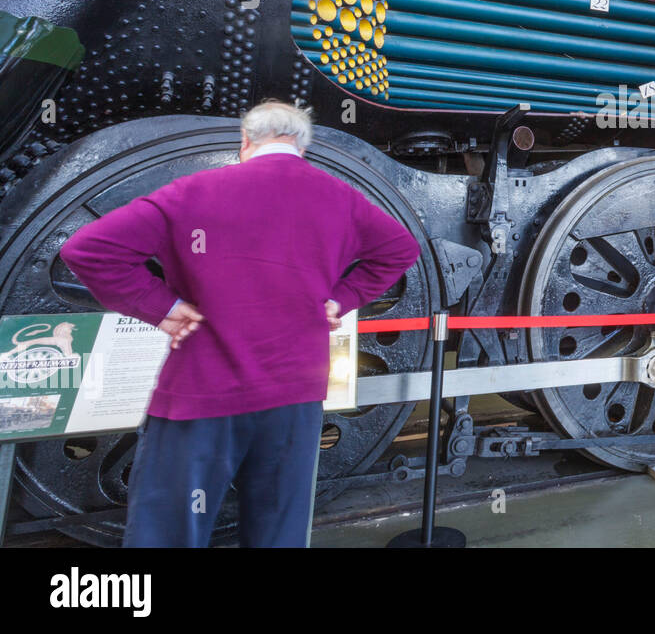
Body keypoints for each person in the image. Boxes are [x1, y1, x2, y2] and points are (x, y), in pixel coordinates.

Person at [59, 101, 420, 547]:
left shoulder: (193, 191)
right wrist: (343, 299)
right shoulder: (341, 197)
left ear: (245, 141)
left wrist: (163, 307)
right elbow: (401, 249)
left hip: (202, 393)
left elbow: (88, 250)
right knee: (278, 532)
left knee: (171, 531)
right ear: (303, 148)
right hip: (295, 397)